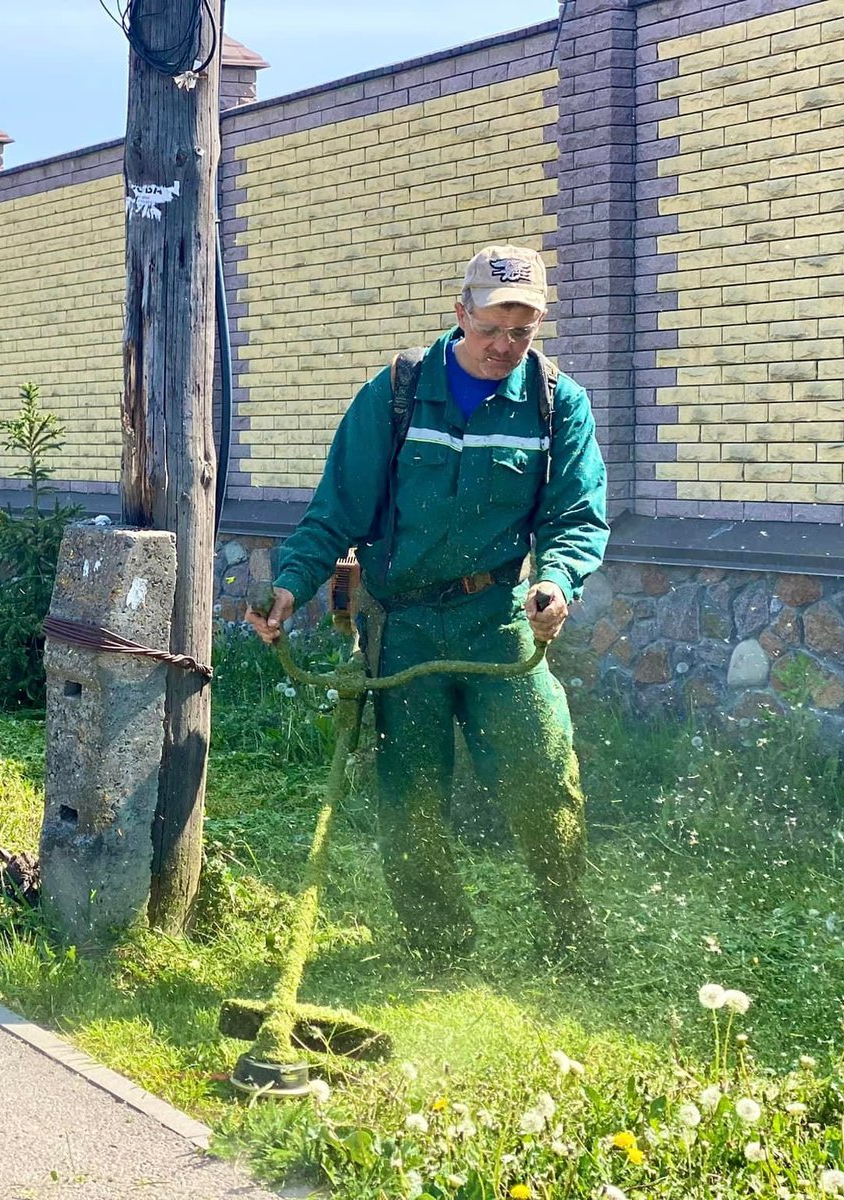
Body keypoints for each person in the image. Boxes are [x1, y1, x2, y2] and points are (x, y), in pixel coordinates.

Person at [246, 245, 609, 965]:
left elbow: (575, 516)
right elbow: (334, 510)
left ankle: (570, 928)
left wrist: (557, 583)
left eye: (523, 332)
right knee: (409, 794)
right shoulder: (396, 392)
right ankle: (438, 946)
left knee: (543, 774)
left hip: (498, 621)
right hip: (402, 625)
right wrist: (291, 583)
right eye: (493, 329)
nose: (506, 347)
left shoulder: (554, 401)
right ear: (460, 314)